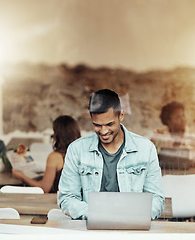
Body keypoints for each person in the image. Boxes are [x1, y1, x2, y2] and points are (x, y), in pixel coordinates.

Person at [58, 89, 164, 220]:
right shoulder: (76, 150)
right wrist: (95, 215)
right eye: (97, 125)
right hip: (90, 227)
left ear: (121, 116)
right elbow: (67, 197)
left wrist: (134, 218)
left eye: (109, 124)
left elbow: (157, 199)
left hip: (133, 227)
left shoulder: (146, 149)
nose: (103, 131)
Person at [12, 115, 81, 193]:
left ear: (58, 135)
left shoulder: (55, 157)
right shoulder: (82, 153)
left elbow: (44, 188)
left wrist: (22, 176)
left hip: (58, 202)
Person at [150, 101, 195, 170]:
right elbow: (150, 157)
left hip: (189, 175)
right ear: (168, 121)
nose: (183, 119)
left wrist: (193, 163)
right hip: (165, 175)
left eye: (183, 115)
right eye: (177, 118)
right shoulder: (159, 136)